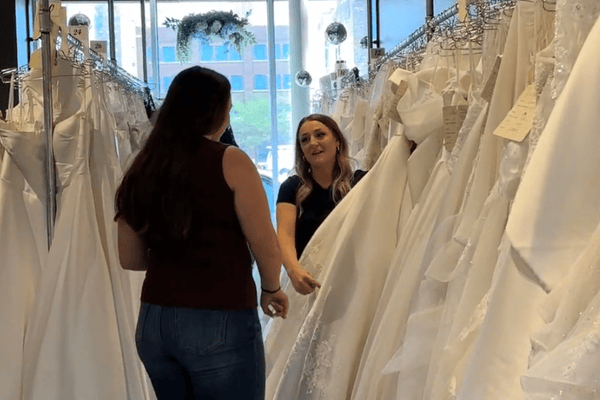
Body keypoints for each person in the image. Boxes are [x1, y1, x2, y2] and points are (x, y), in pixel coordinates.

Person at [114, 66, 288, 400]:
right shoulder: (230, 160)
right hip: (219, 314)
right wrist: (271, 289)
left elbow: (130, 259)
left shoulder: (141, 167)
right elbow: (264, 242)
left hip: (154, 322)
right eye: (229, 108)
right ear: (216, 111)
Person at [276, 114, 367, 295]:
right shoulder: (291, 188)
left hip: (350, 285)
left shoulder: (361, 182)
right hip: (306, 282)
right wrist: (294, 271)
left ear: (337, 141)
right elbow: (284, 236)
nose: (313, 142)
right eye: (305, 140)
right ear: (302, 151)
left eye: (320, 135)